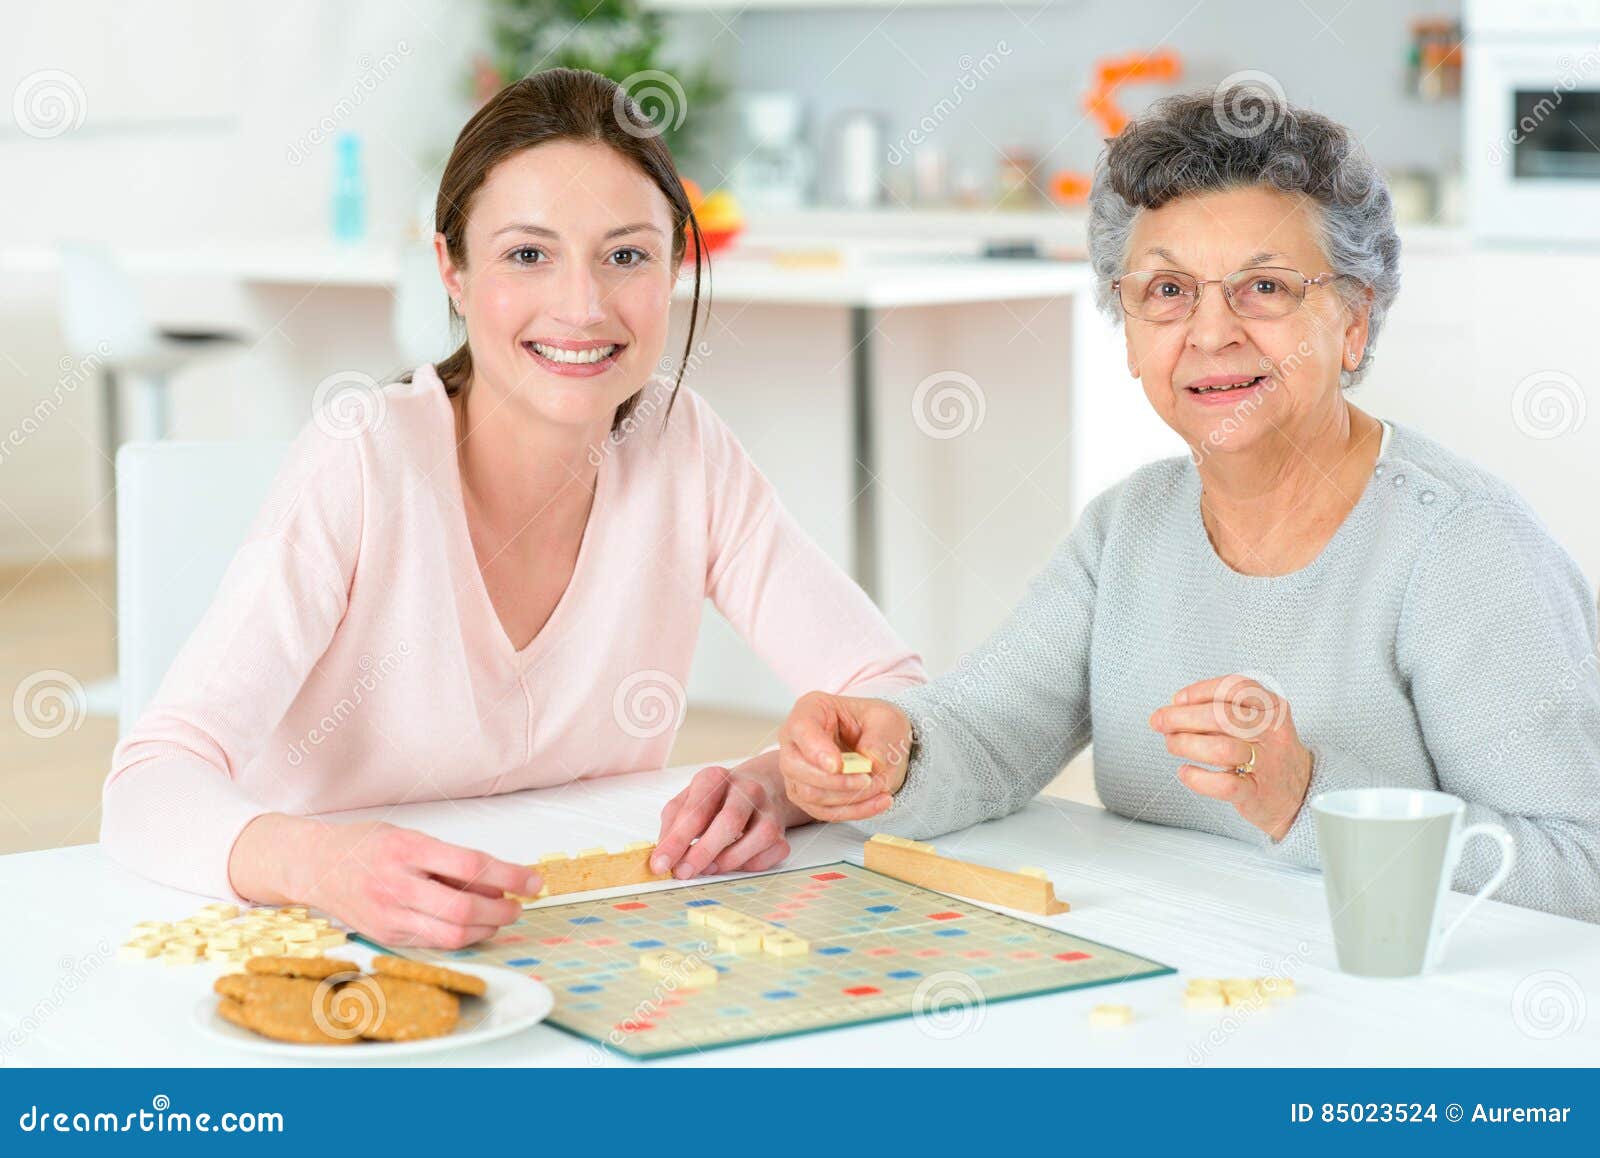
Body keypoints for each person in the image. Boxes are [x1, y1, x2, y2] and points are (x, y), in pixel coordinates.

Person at [101, 68, 924, 948]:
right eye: (528, 255)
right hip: (335, 946)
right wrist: (327, 865)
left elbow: (895, 693)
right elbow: (149, 785)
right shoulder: (364, 458)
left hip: (593, 935)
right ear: (451, 270)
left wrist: (775, 785)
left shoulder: (684, 446)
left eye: (626, 255)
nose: (582, 306)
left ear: (676, 267)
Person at [776, 87, 1600, 922]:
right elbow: (991, 734)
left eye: (1266, 287)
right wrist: (893, 748)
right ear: (1128, 329)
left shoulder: (1464, 547)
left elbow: (1580, 868)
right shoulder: (1126, 527)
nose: (1210, 333)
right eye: (1167, 291)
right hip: (1175, 989)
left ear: (1355, 320)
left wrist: (1307, 800)